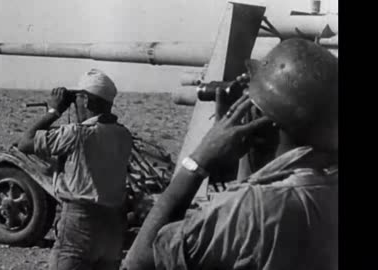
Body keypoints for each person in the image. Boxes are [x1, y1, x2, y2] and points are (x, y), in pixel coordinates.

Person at [124, 38, 338, 270]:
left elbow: (140, 262)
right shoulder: (324, 187)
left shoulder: (250, 209)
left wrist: (197, 162)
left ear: (265, 117)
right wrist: (248, 150)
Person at [17, 69, 133, 270]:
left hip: (80, 224)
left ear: (86, 101)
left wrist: (53, 111)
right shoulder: (124, 135)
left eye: (78, 98)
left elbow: (25, 142)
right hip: (112, 228)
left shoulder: (77, 134)